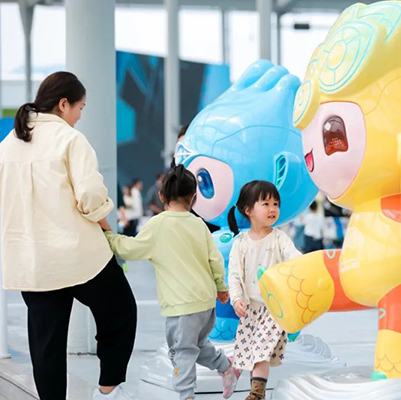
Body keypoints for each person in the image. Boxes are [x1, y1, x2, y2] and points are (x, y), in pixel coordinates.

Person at [0, 71, 137, 400]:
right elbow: (90, 195)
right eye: (80, 108)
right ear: (64, 104)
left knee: (45, 344)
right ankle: (107, 389)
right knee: (120, 311)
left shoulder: (7, 145)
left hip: (32, 262)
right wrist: (105, 224)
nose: (79, 116)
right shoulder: (70, 140)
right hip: (78, 255)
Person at [101, 165, 240, 400]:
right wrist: (221, 287)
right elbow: (215, 259)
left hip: (181, 305)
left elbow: (130, 249)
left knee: (182, 350)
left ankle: (186, 395)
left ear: (161, 195)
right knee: (195, 345)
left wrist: (108, 237)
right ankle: (226, 366)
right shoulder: (198, 224)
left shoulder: (158, 224)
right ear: (193, 197)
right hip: (206, 303)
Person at [227, 181, 301, 400]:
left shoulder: (279, 238)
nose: (272, 209)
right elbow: (234, 275)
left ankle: (256, 394)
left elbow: (294, 258)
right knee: (253, 354)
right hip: (251, 309)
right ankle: (249, 386)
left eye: (276, 204)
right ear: (248, 210)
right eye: (266, 203)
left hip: (274, 308)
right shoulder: (240, 243)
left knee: (261, 352)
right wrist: (236, 299)